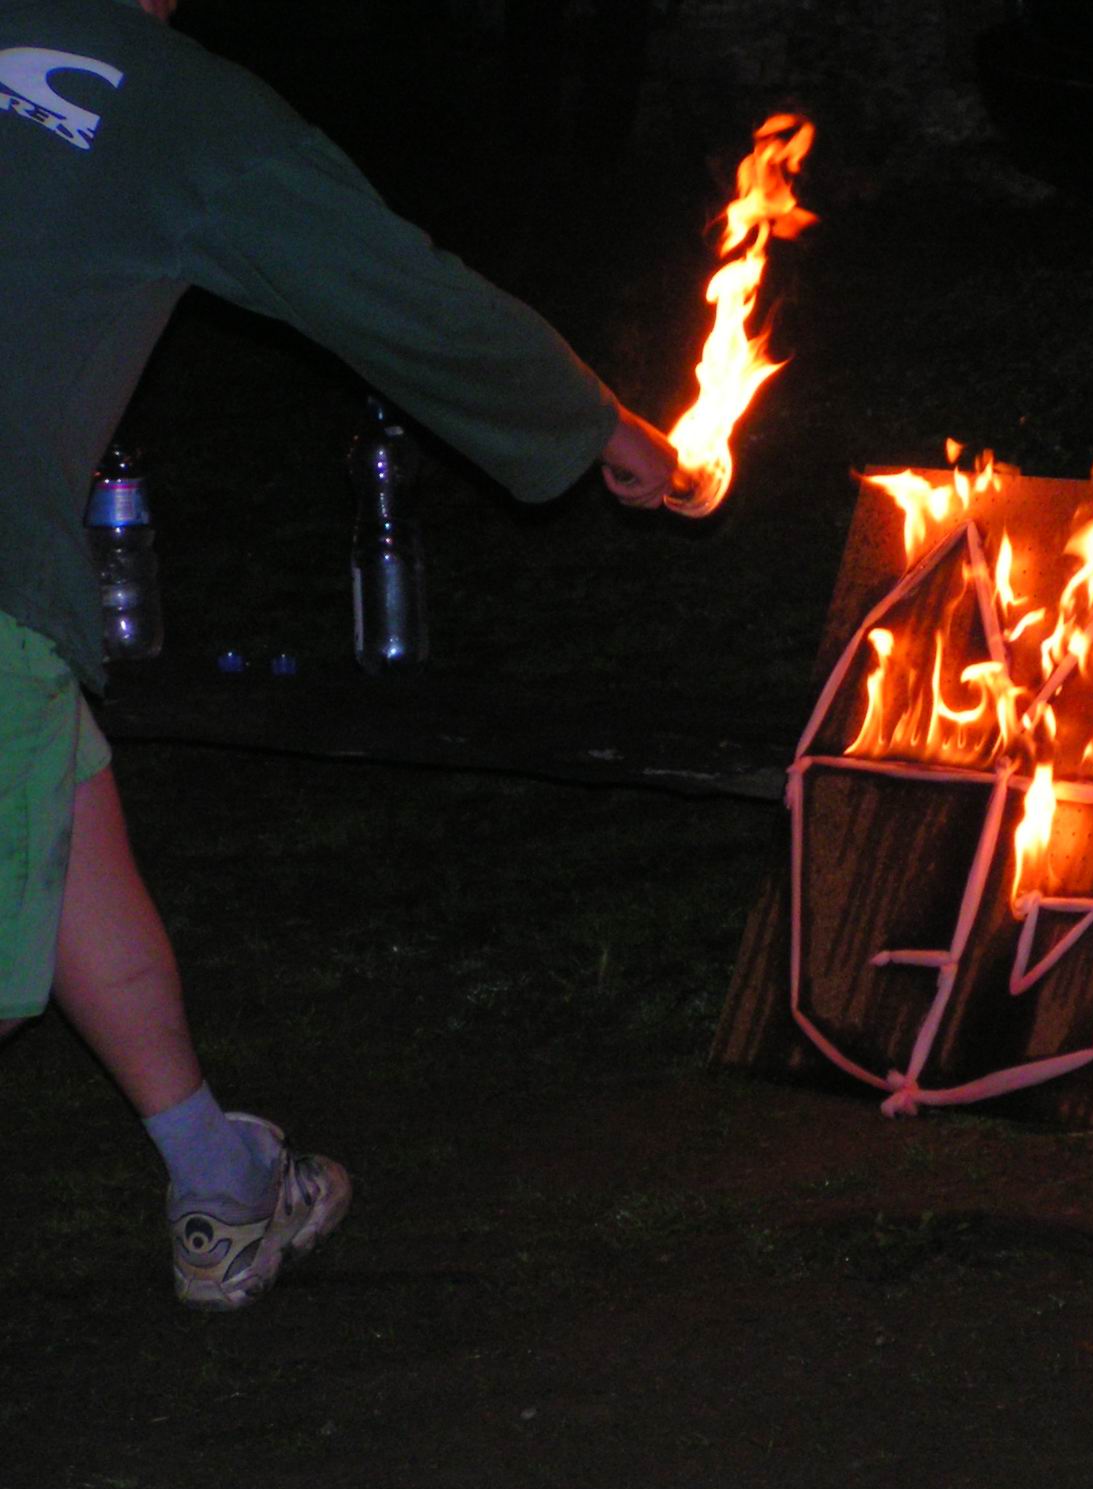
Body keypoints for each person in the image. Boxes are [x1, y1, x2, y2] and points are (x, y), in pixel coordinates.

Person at [0, 0, 685, 1309]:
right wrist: (591, 422)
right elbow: (393, 288)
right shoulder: (176, 103)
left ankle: (218, 1180)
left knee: (64, 828)